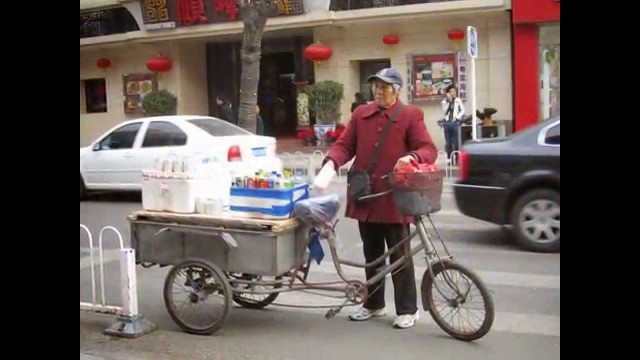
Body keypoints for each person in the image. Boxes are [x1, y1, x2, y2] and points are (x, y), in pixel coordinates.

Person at [323, 68, 438, 329]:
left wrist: (413, 157)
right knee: (372, 254)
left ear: (397, 90)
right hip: (366, 196)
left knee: (400, 255)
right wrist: (331, 162)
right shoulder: (361, 114)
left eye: (385, 86)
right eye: (376, 85)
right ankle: (374, 304)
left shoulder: (409, 115)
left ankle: (408, 309)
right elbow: (345, 145)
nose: (379, 91)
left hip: (395, 198)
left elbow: (428, 148)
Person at [440, 85, 465, 157]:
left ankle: (456, 157)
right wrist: (449, 102)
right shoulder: (444, 102)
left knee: (456, 142)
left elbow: (463, 110)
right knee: (448, 142)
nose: (453, 93)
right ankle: (449, 158)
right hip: (447, 123)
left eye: (454, 91)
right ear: (448, 93)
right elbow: (445, 112)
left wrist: (458, 117)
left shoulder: (458, 100)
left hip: (455, 122)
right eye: (451, 91)